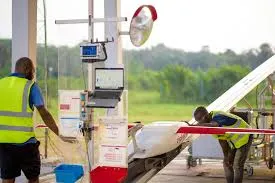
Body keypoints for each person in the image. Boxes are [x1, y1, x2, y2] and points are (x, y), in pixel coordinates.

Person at [0, 57, 66, 183]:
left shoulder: (1, 83)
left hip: (4, 143)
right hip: (26, 144)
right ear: (27, 69)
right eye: (33, 71)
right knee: (33, 179)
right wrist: (59, 133)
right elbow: (44, 113)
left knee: (7, 179)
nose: (33, 74)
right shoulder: (30, 86)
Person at [193, 106, 253, 183]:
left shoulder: (218, 116)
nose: (199, 123)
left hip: (246, 135)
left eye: (200, 120)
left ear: (206, 116)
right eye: (197, 121)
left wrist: (195, 126)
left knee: (237, 165)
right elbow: (222, 141)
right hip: (235, 141)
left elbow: (214, 125)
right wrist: (226, 157)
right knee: (227, 163)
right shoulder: (210, 125)